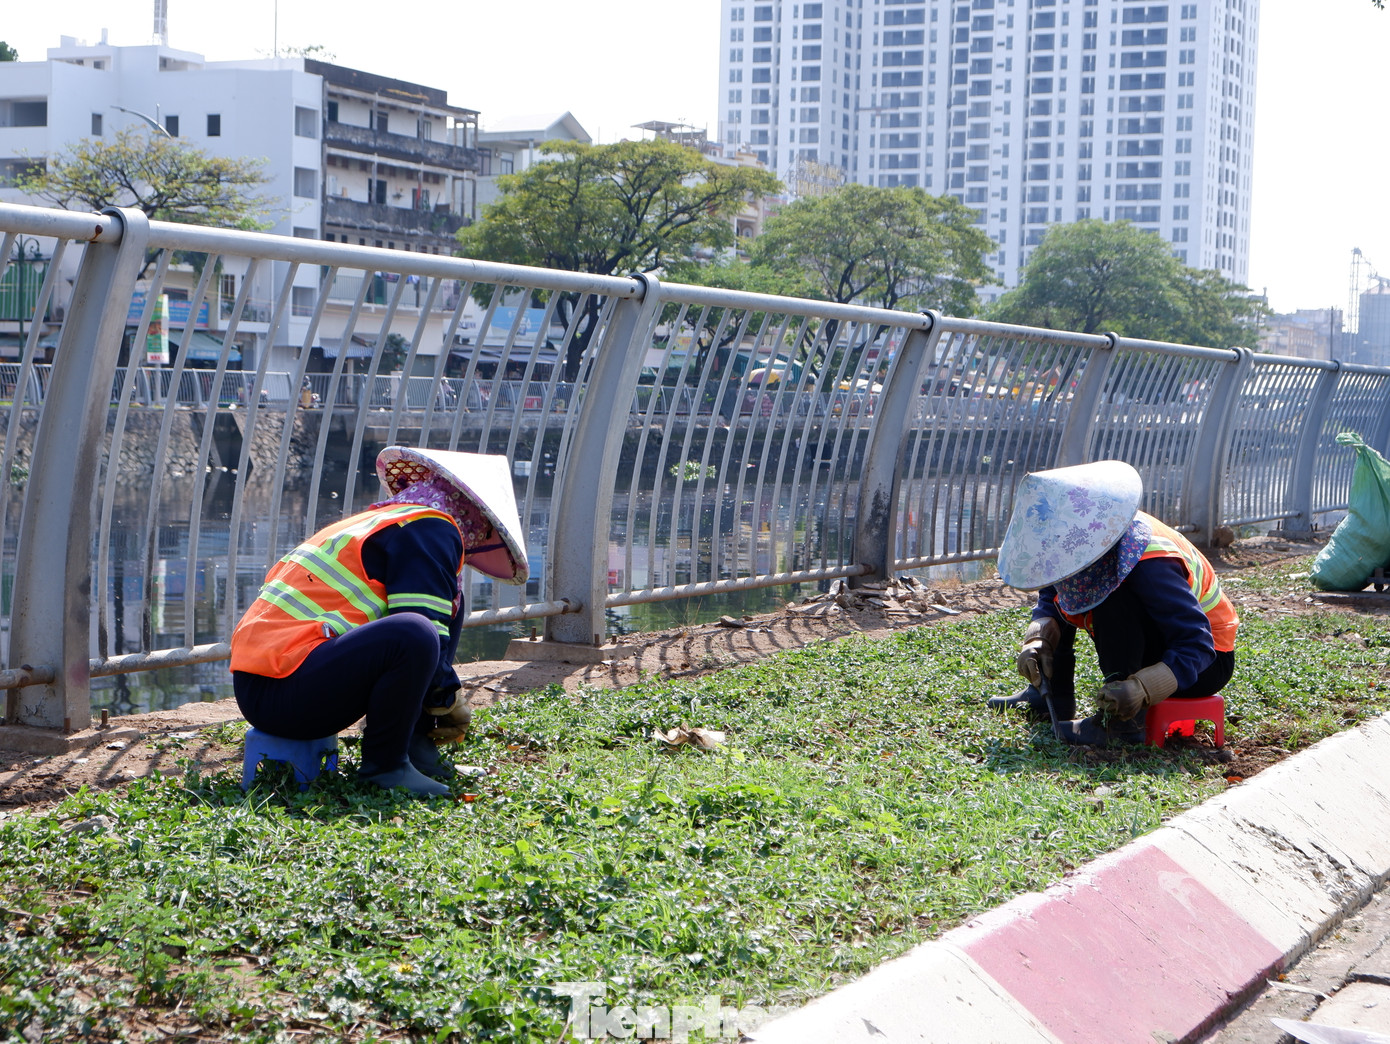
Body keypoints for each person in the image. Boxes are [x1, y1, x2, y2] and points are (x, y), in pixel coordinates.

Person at [230, 447, 529, 796]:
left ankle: (416, 751)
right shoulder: (430, 526)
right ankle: (385, 766)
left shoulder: (387, 521)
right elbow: (424, 623)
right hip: (288, 691)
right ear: (471, 510)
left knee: (447, 607)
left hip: (267, 688)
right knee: (416, 631)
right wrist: (446, 696)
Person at [989, 460, 1238, 746]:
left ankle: (1121, 725)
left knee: (1114, 599)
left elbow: (1196, 643)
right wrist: (1039, 640)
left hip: (1204, 664)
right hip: (1178, 647)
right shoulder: (1087, 532)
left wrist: (1142, 688)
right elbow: (1053, 593)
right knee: (1076, 589)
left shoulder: (1151, 564)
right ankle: (1052, 696)